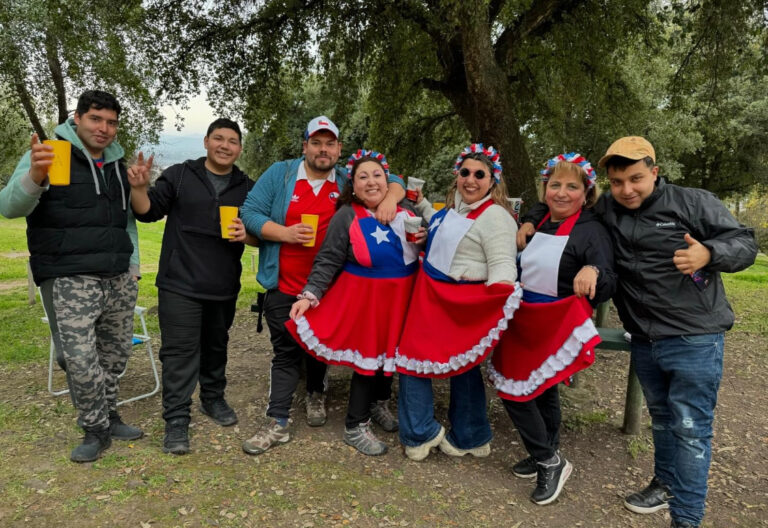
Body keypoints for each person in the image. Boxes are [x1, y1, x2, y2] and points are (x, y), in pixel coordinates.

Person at [518, 137, 758, 527]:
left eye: (636, 179)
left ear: (655, 172)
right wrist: (530, 218)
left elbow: (744, 242)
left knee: (692, 429)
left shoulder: (691, 202)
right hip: (644, 337)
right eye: (617, 182)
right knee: (663, 418)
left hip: (694, 336)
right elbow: (559, 201)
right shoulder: (608, 208)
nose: (627, 189)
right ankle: (664, 483)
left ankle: (687, 518)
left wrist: (709, 254)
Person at [240, 117, 405, 455]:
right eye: (316, 142)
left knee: (320, 348)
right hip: (285, 283)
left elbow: (391, 179)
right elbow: (250, 213)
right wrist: (283, 233)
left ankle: (317, 395)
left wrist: (392, 197)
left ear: (339, 150)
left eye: (330, 143)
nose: (323, 149)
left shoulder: (347, 178)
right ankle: (278, 422)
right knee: (286, 351)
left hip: (331, 287)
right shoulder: (281, 174)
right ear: (305, 146)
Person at [0, 90, 143, 462]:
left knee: (114, 355)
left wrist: (134, 266)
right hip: (69, 276)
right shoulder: (49, 151)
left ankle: (110, 416)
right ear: (76, 118)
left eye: (111, 122)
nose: (104, 128)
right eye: (96, 119)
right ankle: (94, 429)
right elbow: (9, 207)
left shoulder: (116, 163)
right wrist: (35, 174)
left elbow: (125, 220)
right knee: (79, 359)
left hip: (118, 276)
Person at [488, 153, 617, 505]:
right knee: (541, 389)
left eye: (571, 187)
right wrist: (528, 222)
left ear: (587, 193)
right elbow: (534, 211)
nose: (561, 193)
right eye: (554, 185)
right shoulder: (541, 217)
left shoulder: (591, 230)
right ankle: (547, 448)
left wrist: (595, 272)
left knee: (515, 391)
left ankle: (549, 460)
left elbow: (608, 280)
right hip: (525, 318)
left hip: (557, 320)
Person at [280, 150, 425, 456]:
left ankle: (379, 404)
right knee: (367, 361)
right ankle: (354, 425)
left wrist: (425, 240)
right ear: (353, 186)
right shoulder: (346, 215)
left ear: (387, 181)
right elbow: (328, 259)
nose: (371, 182)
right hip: (366, 302)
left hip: (401, 301)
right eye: (363, 177)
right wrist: (309, 295)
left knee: (390, 358)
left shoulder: (407, 211)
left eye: (377, 175)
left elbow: (425, 251)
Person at [126, 118, 257, 455]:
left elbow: (261, 229)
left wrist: (250, 235)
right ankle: (176, 419)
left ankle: (212, 399)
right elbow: (148, 212)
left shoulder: (247, 186)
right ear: (206, 142)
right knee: (180, 353)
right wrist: (139, 188)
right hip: (179, 283)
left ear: (239, 148)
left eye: (232, 141)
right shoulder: (181, 175)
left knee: (216, 348)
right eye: (218, 138)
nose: (225, 145)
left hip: (222, 284)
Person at [395, 143, 520, 461]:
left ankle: (437, 433)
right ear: (457, 176)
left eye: (480, 174)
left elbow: (504, 268)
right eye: (465, 172)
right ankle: (460, 434)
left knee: (442, 363)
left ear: (493, 181)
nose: (471, 180)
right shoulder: (453, 210)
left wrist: (490, 307)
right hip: (431, 297)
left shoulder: (495, 217)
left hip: (458, 303)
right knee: (448, 365)